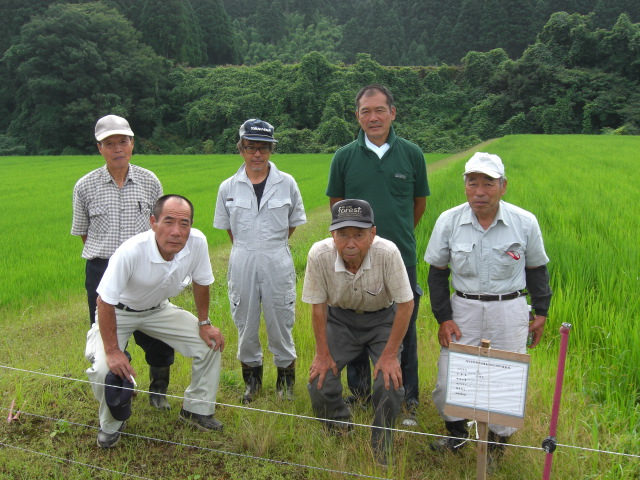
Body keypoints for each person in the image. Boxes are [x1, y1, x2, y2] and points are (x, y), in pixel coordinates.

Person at [424, 152, 552, 459]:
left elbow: (537, 269)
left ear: (503, 186)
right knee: (449, 379)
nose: (480, 191)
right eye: (472, 183)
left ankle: (496, 447)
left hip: (510, 310)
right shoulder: (449, 221)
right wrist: (444, 317)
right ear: (465, 186)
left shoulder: (524, 222)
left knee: (505, 380)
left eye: (488, 183)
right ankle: (457, 436)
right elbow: (437, 274)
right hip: (463, 310)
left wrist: (542, 312)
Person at [86, 194, 225, 448]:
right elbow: (104, 301)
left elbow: (202, 281)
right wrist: (114, 351)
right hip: (118, 311)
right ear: (153, 221)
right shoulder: (130, 252)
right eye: (168, 222)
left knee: (210, 344)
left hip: (159, 309)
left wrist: (204, 323)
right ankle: (112, 423)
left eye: (184, 224)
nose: (176, 231)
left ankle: (196, 410)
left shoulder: (198, 242)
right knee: (106, 367)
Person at [325, 84, 429, 425]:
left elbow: (418, 205)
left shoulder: (412, 154)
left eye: (379, 110)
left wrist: (391, 242)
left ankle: (408, 399)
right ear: (357, 116)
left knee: (405, 327)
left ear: (392, 113)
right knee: (354, 320)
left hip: (401, 256)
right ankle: (360, 395)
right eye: (365, 112)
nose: (373, 118)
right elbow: (336, 207)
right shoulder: (344, 156)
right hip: (355, 256)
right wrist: (358, 243)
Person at [72, 115, 175, 410]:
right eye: (109, 143)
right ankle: (120, 393)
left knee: (156, 331)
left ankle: (159, 389)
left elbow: (160, 228)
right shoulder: (85, 186)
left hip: (145, 268)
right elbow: (83, 232)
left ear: (132, 145)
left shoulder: (149, 181)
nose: (117, 148)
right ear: (99, 148)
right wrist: (112, 261)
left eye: (123, 142)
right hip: (102, 269)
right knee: (108, 334)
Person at [303, 199, 414, 465]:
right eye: (343, 235)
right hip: (340, 320)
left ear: (372, 234)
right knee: (319, 381)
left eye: (358, 235)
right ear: (333, 235)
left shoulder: (388, 253)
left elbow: (406, 305)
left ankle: (381, 445)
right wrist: (322, 354)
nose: (350, 244)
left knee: (389, 383)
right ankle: (340, 427)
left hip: (382, 321)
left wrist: (388, 356)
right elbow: (318, 309)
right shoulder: (319, 255)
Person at [214, 119, 306, 403]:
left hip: (277, 256)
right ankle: (252, 384)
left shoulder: (286, 183)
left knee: (281, 321)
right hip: (242, 257)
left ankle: (285, 384)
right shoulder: (228, 187)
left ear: (271, 150)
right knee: (246, 322)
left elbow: (292, 223)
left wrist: (269, 245)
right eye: (251, 147)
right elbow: (230, 229)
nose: (257, 154)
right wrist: (249, 246)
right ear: (241, 149)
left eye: (263, 148)